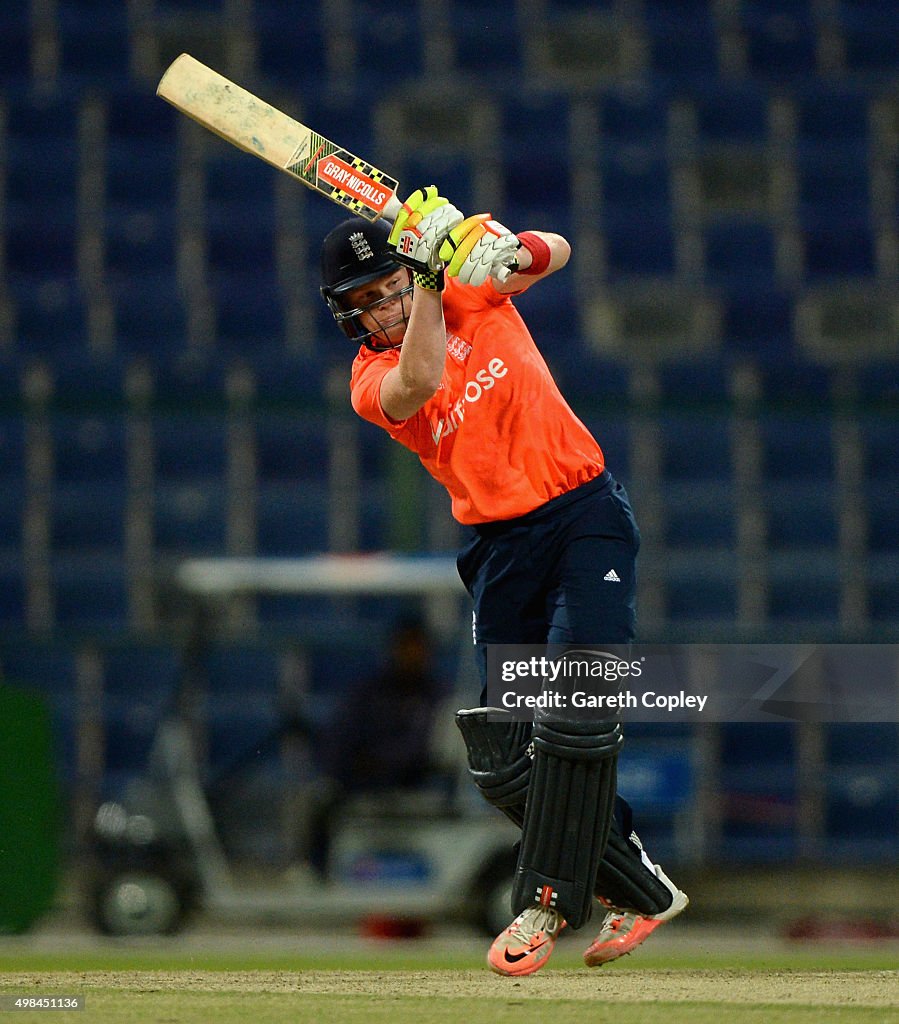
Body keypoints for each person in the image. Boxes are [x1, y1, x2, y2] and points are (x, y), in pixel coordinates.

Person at [319, 188, 688, 976]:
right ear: (349, 316)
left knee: (577, 705)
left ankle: (544, 905)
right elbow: (416, 383)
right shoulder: (368, 377)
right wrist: (422, 280)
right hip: (499, 547)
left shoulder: (463, 284)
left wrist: (501, 251)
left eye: (387, 288)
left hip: (583, 510)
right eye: (367, 303)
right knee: (500, 758)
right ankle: (639, 889)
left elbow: (556, 248)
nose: (382, 309)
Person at [306, 615, 446, 877]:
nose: (412, 654)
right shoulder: (370, 691)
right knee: (319, 799)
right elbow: (341, 734)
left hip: (412, 778)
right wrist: (343, 766)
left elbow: (420, 747)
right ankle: (316, 873)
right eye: (406, 647)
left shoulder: (435, 695)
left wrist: (381, 760)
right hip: (360, 778)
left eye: (418, 648)